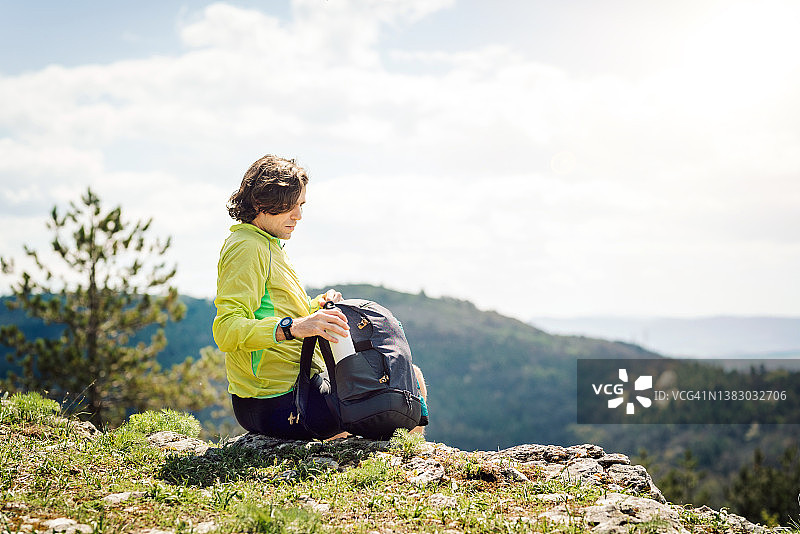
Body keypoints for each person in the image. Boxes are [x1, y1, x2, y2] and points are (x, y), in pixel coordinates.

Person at [212, 154, 427, 439]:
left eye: (300, 206)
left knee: (399, 380)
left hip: (288, 392)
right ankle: (406, 467)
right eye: (290, 207)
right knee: (405, 385)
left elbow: (272, 310)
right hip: (279, 401)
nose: (298, 216)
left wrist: (315, 310)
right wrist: (295, 327)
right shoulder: (248, 247)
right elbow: (226, 329)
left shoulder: (268, 244)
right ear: (261, 203)